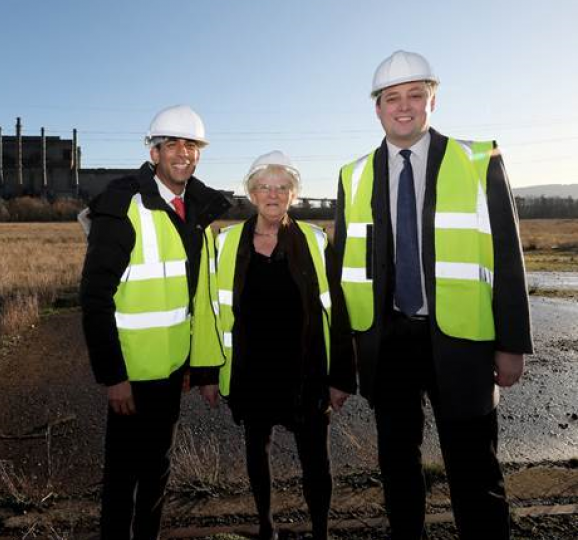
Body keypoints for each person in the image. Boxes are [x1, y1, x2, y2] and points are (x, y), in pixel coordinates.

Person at [333, 50, 533, 540]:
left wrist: (511, 343)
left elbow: (506, 255)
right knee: (399, 472)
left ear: (432, 100)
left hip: (462, 341)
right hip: (389, 343)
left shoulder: (478, 157)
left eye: (415, 95)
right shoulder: (352, 175)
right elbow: (344, 272)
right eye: (392, 98)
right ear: (377, 108)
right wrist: (348, 356)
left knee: (475, 473)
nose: (404, 106)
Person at [79, 104, 231, 540]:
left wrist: (191, 365)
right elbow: (94, 297)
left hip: (170, 374)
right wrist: (114, 377)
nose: (182, 153)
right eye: (172, 145)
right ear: (154, 151)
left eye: (191, 145)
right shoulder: (123, 205)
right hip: (131, 376)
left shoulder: (195, 211)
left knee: (157, 471)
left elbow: (190, 300)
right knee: (122, 478)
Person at [205, 151, 356, 540]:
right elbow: (208, 311)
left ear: (294, 195)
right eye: (264, 187)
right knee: (256, 450)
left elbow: (336, 311)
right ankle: (266, 526)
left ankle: (320, 531)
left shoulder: (315, 240)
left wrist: (341, 376)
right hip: (251, 370)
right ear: (251, 193)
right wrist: (208, 372)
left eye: (282, 187)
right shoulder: (226, 243)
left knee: (316, 460)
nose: (273, 194)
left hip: (305, 370)